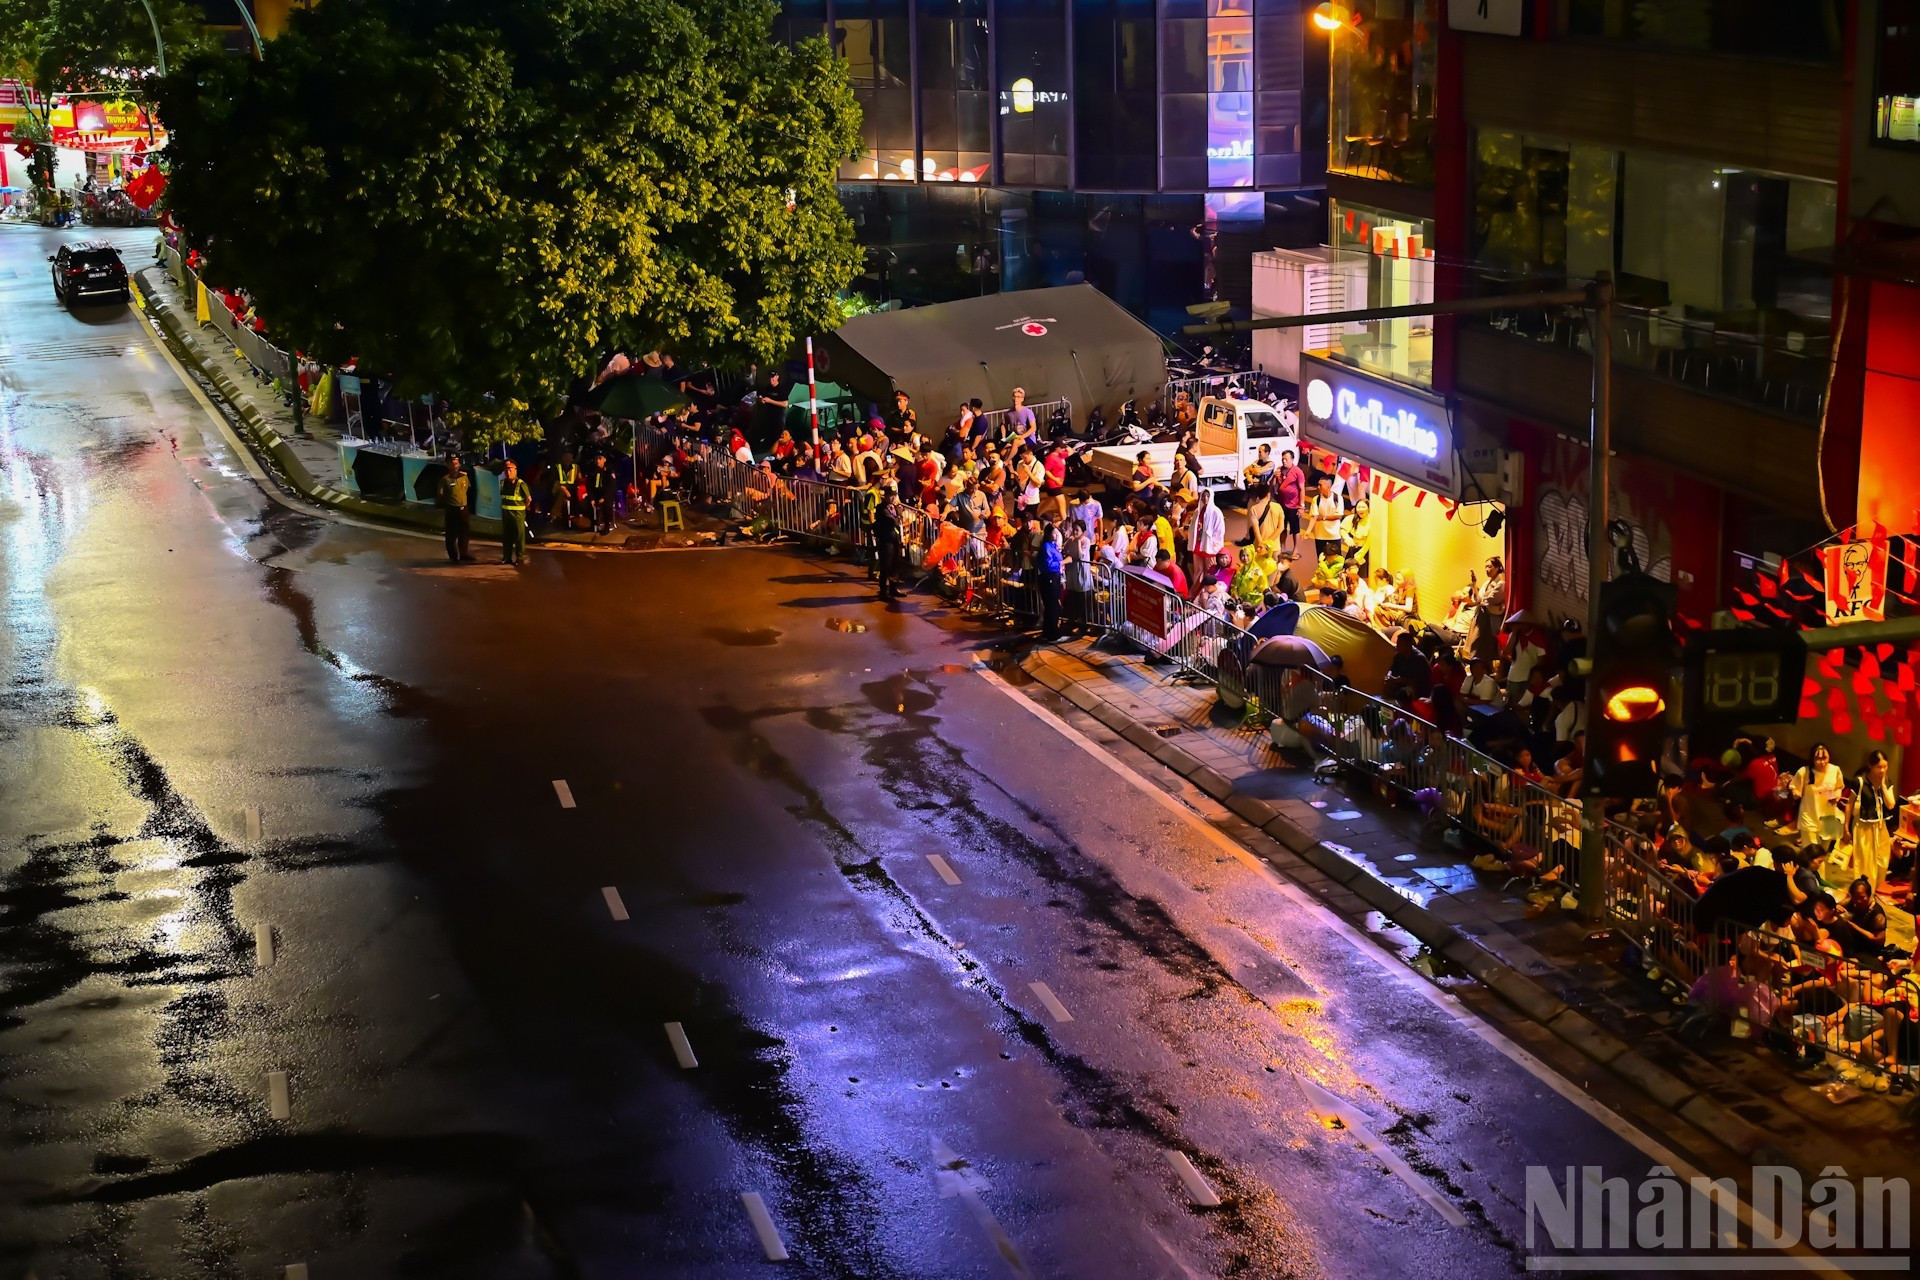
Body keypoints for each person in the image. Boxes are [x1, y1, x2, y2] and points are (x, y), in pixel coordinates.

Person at [1852, 749, 1898, 890]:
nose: (1882, 770)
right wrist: (1845, 830)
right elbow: (1849, 805)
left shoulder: (1887, 781)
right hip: (1863, 826)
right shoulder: (1860, 781)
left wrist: (1883, 785)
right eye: (1879, 767)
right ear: (1871, 766)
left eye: (1885, 766)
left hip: (1880, 825)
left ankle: (1874, 888)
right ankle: (1864, 891)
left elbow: (1891, 804)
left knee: (1882, 861)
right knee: (1865, 862)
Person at [1790, 742, 1847, 855]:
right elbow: (1794, 788)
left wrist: (1836, 796)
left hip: (1830, 817)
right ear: (1812, 759)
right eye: (1818, 759)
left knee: (1822, 854)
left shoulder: (1835, 770)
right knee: (1811, 853)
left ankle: (1820, 873)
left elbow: (1839, 787)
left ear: (1829, 757)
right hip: (1810, 816)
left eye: (1824, 758)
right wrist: (1796, 793)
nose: (1822, 762)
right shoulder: (1804, 772)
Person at [436, 455, 473, 562]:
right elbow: (440, 495)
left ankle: (464, 554)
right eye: (452, 463)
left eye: (456, 463)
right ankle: (453, 556)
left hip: (463, 508)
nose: (455, 465)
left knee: (464, 532)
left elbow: (468, 490)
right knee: (451, 534)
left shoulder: (464, 477)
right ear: (448, 465)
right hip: (452, 509)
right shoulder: (445, 480)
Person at [1305, 475, 1346, 561]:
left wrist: (1323, 517)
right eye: (1318, 485)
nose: (1318, 487)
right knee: (1321, 559)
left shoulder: (1338, 498)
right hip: (1320, 535)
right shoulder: (1316, 499)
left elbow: (1339, 516)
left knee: (1337, 559)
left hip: (1334, 535)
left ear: (1328, 486)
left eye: (1321, 485)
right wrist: (1308, 531)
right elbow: (1314, 517)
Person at [498, 460, 531, 566]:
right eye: (506, 469)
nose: (508, 472)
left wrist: (523, 508)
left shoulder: (521, 484)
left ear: (515, 470)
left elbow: (528, 499)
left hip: (518, 514)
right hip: (506, 514)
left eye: (510, 469)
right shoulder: (502, 483)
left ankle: (519, 558)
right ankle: (506, 557)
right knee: (507, 537)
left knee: (519, 537)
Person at [1275, 449, 1307, 555]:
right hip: (1281, 505)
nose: (1284, 461)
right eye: (1283, 459)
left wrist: (1301, 506)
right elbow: (1274, 486)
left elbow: (1302, 489)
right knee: (1282, 528)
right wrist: (1275, 477)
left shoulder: (1298, 472)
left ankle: (1295, 549)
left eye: (1286, 459)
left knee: (1295, 530)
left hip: (1293, 506)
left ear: (1292, 459)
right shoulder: (1279, 470)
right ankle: (1283, 547)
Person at [873, 487, 903, 601]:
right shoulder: (881, 507)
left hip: (895, 538)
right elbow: (892, 520)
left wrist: (897, 512)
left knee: (895, 562)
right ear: (885, 496)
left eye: (894, 495)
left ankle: (893, 588)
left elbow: (900, 517)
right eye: (890, 495)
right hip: (885, 539)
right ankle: (883, 591)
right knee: (886, 565)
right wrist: (897, 517)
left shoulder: (895, 507)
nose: (892, 497)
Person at [1038, 519, 1066, 638]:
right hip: (1049, 577)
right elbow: (1049, 565)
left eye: (1056, 533)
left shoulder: (1053, 546)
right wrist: (1063, 562)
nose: (1056, 535)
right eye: (1053, 533)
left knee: (1052, 605)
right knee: (1052, 605)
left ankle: (1049, 631)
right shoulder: (1046, 547)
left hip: (1054, 576)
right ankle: (1052, 633)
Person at [1339, 497, 1373, 577]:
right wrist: (1347, 538)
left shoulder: (1371, 520)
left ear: (1368, 508)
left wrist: (1360, 555)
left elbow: (1369, 541)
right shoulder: (1352, 518)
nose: (1360, 509)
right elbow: (1342, 529)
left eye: (1363, 507)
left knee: (1362, 576)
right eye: (1359, 507)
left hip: (1365, 552)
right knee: (1347, 573)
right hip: (1353, 550)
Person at [586, 453, 618, 534]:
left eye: (600, 459)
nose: (598, 461)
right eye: (596, 459)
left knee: (607, 505)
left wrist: (604, 498)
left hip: (607, 495)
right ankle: (594, 523)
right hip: (596, 494)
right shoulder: (592, 471)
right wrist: (592, 498)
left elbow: (612, 487)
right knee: (585, 504)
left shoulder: (609, 470)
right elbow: (589, 486)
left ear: (604, 460)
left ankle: (607, 525)